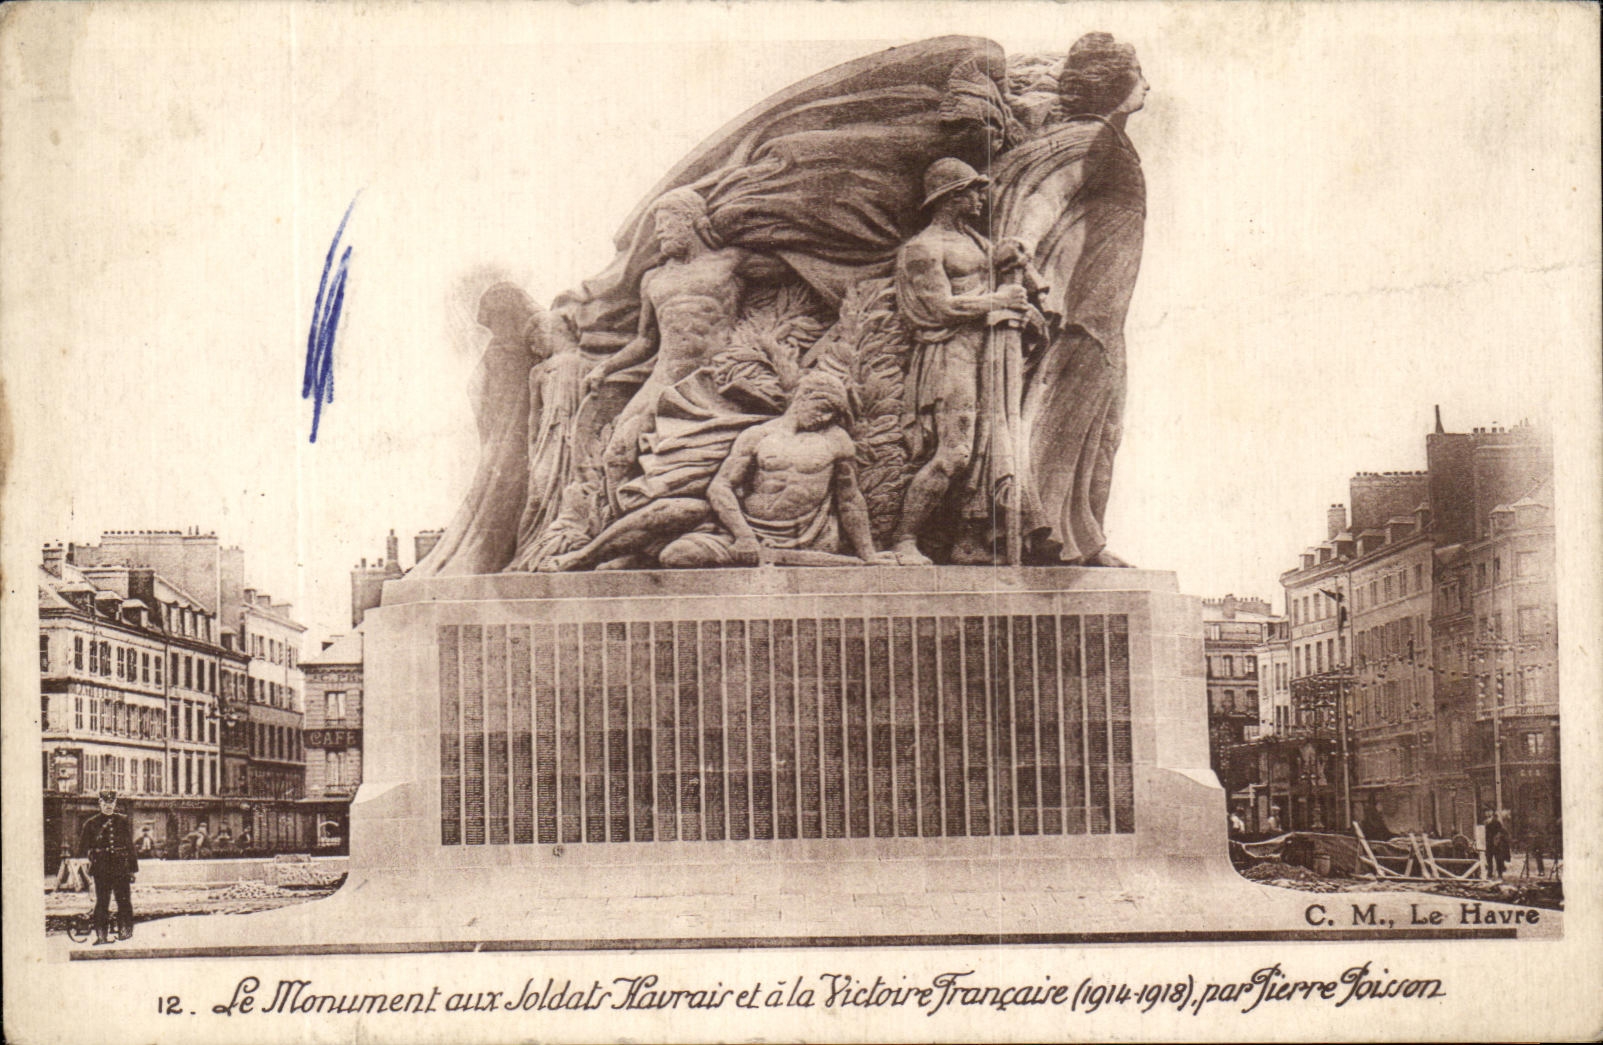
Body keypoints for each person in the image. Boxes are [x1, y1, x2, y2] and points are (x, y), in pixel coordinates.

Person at [989, 32, 1150, 565]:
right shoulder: (1091, 140)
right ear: (1117, 85)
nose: (1145, 84)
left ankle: (1083, 537)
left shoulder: (1110, 141)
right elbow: (1048, 193)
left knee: (1104, 430)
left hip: (1106, 313)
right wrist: (1025, 243)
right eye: (1137, 74)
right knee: (1065, 423)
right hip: (1082, 311)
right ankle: (1042, 532)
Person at [581, 188, 780, 516]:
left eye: (667, 222)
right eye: (657, 225)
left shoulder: (731, 260)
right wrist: (605, 368)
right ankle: (623, 535)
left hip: (715, 377)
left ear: (693, 222)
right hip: (665, 376)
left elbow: (796, 263)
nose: (660, 232)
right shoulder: (653, 279)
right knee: (617, 453)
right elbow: (645, 342)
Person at [890, 157, 1030, 565]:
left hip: (988, 357)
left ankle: (966, 542)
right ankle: (904, 541)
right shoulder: (922, 248)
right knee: (955, 454)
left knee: (986, 452)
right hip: (950, 359)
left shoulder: (972, 240)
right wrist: (998, 299)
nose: (980, 198)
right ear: (952, 197)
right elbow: (937, 308)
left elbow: (980, 274)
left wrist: (1001, 257)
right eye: (973, 190)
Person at [660, 370, 896, 568]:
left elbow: (850, 498)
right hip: (750, 532)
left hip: (808, 538)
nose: (825, 417)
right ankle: (759, 555)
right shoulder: (757, 435)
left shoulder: (836, 439)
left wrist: (868, 553)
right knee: (676, 555)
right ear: (803, 397)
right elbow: (720, 487)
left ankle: (785, 557)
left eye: (832, 413)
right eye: (822, 407)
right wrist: (743, 537)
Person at [412, 283, 543, 577]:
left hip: (514, 437)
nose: (496, 328)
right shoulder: (504, 351)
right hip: (509, 438)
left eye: (498, 320)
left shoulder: (513, 348)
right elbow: (481, 393)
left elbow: (479, 392)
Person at [77, 789, 138, 944]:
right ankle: (101, 935)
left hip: (121, 868)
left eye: (112, 803)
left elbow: (129, 845)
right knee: (102, 902)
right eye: (105, 803)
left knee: (124, 901)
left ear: (115, 803)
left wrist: (132, 869)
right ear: (100, 803)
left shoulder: (123, 820)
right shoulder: (91, 824)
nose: (109, 806)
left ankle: (126, 932)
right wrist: (85, 870)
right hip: (102, 869)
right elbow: (82, 849)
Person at [1483, 809, 1509, 877]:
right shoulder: (1487, 823)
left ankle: (1497, 873)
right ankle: (1492, 873)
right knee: (1491, 859)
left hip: (1494, 844)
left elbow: (1499, 832)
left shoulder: (1495, 823)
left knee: (1496, 859)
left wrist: (1496, 840)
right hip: (1491, 844)